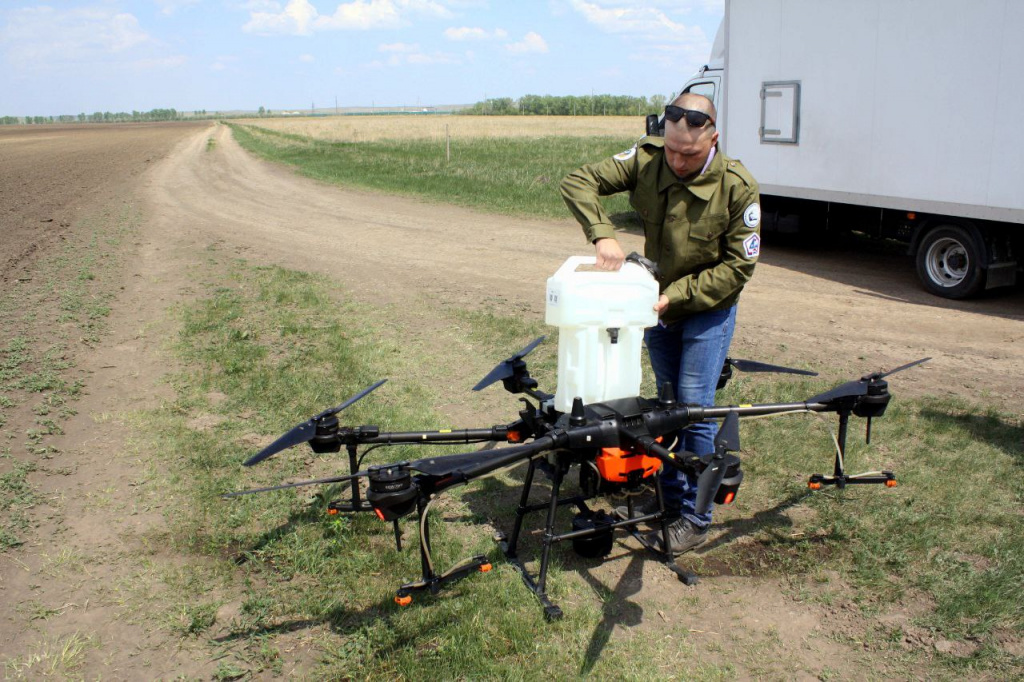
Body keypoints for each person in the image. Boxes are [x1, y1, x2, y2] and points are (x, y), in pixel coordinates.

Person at [559, 93, 761, 554]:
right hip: (656, 306)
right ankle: (670, 498)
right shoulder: (649, 158)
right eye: (671, 149)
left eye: (688, 153)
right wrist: (602, 232)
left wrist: (675, 297)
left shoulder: (738, 186)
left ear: (713, 137)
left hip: (706, 309)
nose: (677, 161)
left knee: (694, 408)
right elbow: (578, 182)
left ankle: (694, 518)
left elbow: (737, 268)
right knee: (664, 407)